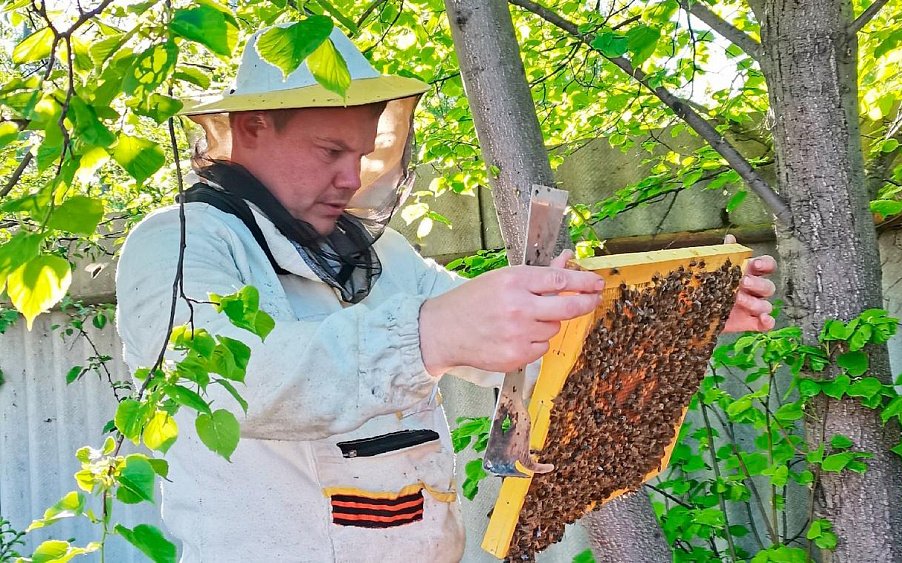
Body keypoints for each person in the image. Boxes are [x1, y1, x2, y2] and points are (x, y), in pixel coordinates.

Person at [115, 25, 776, 563]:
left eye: (363, 154)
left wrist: (664, 320)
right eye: (329, 151)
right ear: (253, 127)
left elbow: (513, 353)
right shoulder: (178, 245)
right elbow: (237, 386)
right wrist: (430, 333)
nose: (352, 178)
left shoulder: (383, 254)